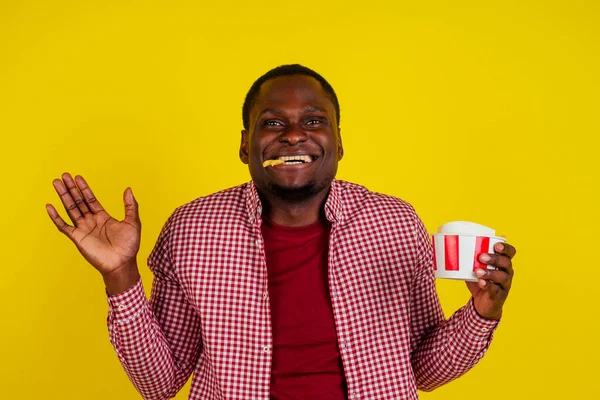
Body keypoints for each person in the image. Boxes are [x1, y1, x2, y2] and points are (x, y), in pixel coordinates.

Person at [46, 64, 517, 400]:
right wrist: (121, 275)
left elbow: (424, 372)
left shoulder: (394, 223)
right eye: (273, 123)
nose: (294, 135)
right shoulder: (192, 230)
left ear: (339, 143)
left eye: (314, 121)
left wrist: (481, 313)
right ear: (245, 145)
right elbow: (159, 384)